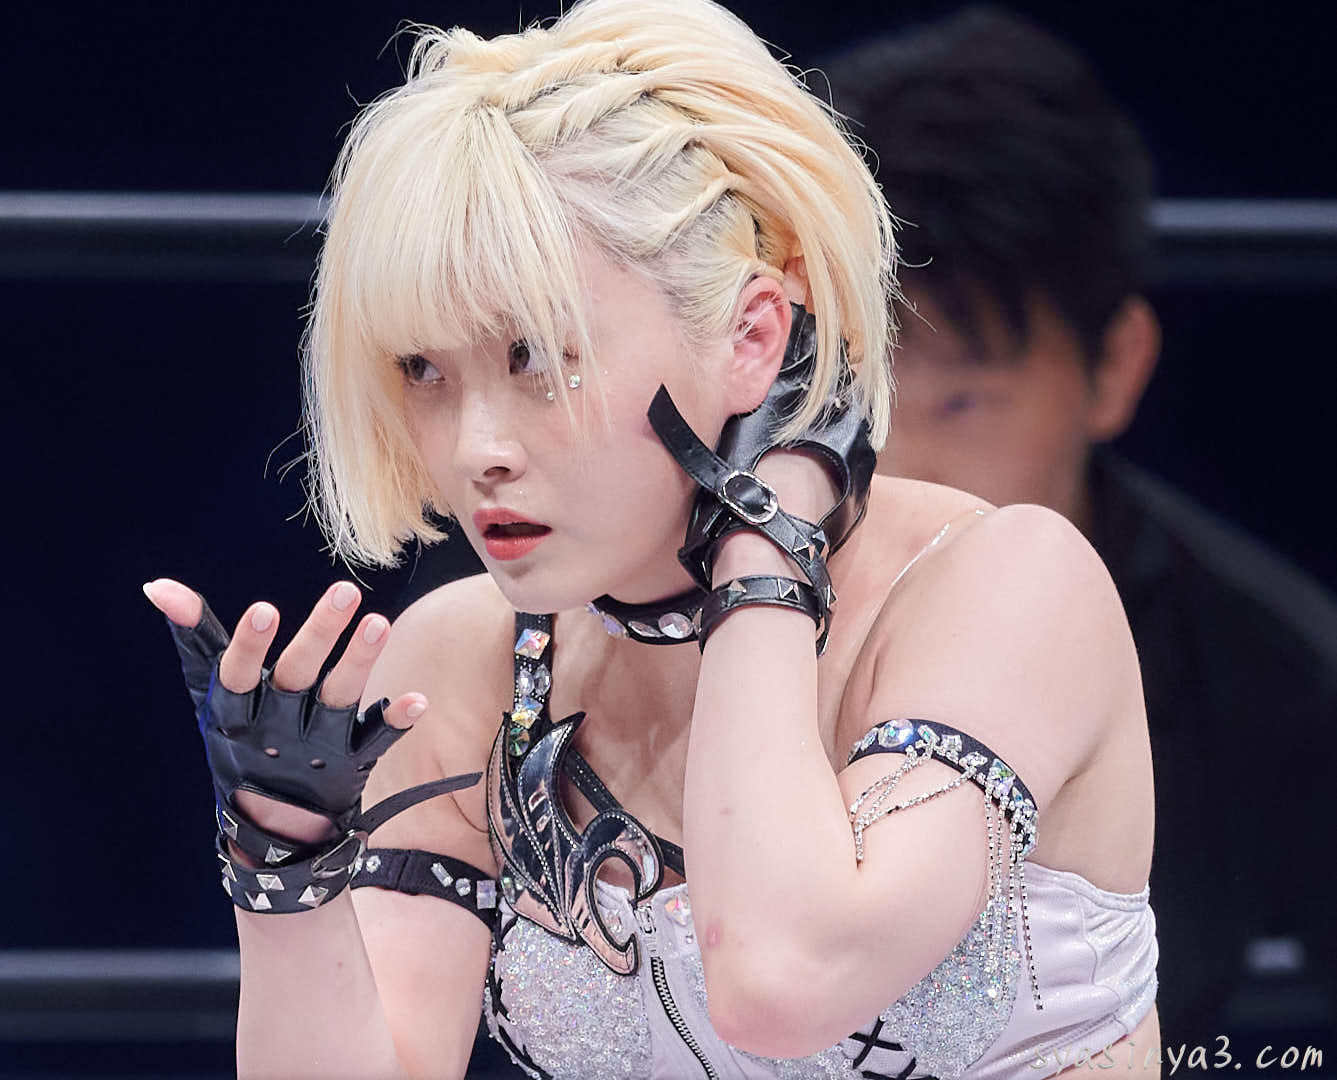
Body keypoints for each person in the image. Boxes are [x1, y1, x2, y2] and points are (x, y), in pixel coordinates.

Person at [144, 1, 1160, 1074]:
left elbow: (782, 982)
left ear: (752, 336)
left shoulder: (1006, 585)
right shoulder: (463, 661)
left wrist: (763, 545)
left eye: (536, 358)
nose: (475, 447)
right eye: (422, 370)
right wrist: (281, 868)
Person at [823, 8, 1337, 1043]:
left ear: (1114, 368)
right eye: (848, 397)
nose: (887, 468)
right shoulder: (651, 611)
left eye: (961, 401)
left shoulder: (1271, 678)